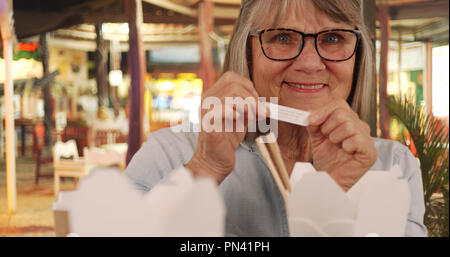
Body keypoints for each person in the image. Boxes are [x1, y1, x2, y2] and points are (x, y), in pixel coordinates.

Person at [125, 0, 427, 236]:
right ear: (247, 52)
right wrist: (205, 167)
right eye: (282, 37)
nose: (309, 63)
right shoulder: (171, 154)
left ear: (358, 56)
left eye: (333, 38)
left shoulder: (393, 166)